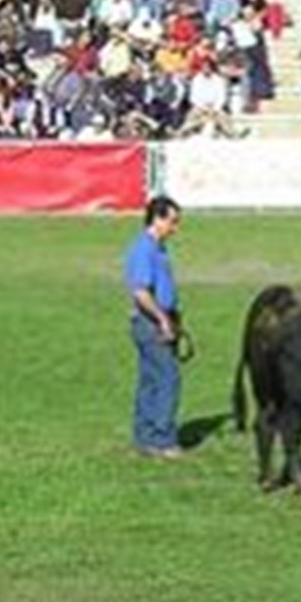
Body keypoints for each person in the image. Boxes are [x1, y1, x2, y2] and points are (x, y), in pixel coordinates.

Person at [125, 194, 186, 459]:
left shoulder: (158, 249)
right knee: (168, 379)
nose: (175, 228)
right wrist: (163, 320)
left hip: (155, 319)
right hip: (151, 322)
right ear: (157, 219)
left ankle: (145, 437)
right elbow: (141, 291)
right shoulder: (144, 249)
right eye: (172, 221)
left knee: (150, 380)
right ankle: (163, 440)